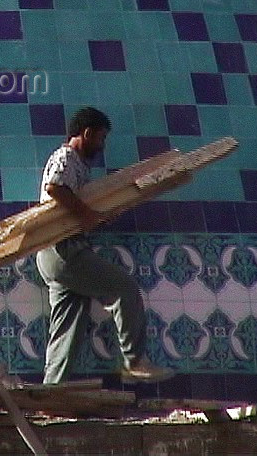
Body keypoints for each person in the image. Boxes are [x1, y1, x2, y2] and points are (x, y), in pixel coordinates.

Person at [36, 106, 175, 385]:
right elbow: (55, 187)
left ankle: (50, 392)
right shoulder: (67, 157)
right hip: (65, 251)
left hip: (52, 254)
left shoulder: (78, 166)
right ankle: (135, 361)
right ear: (86, 134)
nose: (101, 146)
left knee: (67, 327)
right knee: (124, 288)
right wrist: (87, 216)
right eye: (100, 138)